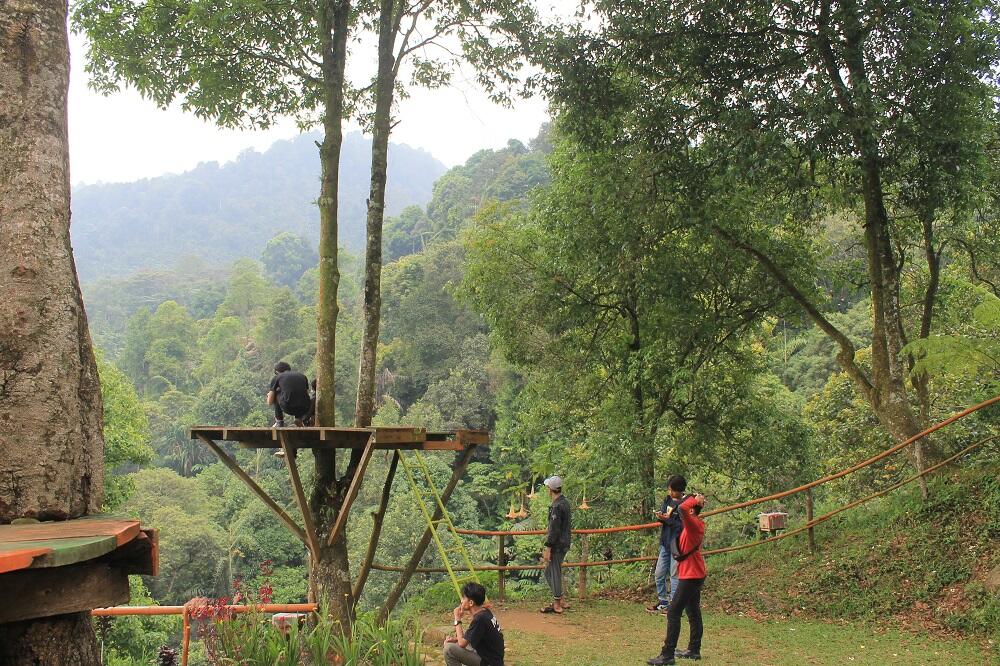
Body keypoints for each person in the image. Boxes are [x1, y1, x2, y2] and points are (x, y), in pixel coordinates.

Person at [648, 492, 707, 665]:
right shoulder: (693, 523)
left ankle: (667, 655)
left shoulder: (692, 523)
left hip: (691, 575)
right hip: (694, 572)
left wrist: (694, 500)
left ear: (691, 511)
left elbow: (682, 507)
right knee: (693, 611)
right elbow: (678, 516)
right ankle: (694, 649)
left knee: (673, 611)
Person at [647, 475, 686, 614]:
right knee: (659, 573)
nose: (670, 493)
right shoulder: (667, 500)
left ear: (680, 490)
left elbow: (682, 526)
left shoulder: (685, 504)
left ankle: (674, 605)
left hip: (677, 543)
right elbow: (665, 515)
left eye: (673, 490)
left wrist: (668, 520)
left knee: (675, 575)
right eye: (669, 490)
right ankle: (663, 601)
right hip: (665, 542)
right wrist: (662, 517)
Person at [443, 582, 504, 666]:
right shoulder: (485, 612)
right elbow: (475, 635)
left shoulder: (479, 619)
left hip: (489, 662)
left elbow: (462, 644)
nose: (461, 601)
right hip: (494, 658)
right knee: (453, 644)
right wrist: (456, 639)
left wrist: (457, 618)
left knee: (448, 649)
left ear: (471, 603)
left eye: (463, 598)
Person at [540, 475, 571, 614]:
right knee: (549, 572)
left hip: (557, 545)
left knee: (553, 572)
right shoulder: (565, 502)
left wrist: (548, 547)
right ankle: (560, 599)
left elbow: (554, 530)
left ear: (550, 489)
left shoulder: (557, 506)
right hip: (564, 542)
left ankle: (557, 603)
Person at [266, 361, 311, 427]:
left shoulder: (277, 377)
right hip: (305, 408)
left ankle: (279, 421)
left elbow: (270, 402)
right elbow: (306, 394)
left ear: (277, 372)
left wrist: (270, 395)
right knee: (299, 396)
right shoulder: (302, 376)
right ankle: (299, 418)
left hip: (288, 407)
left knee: (276, 393)